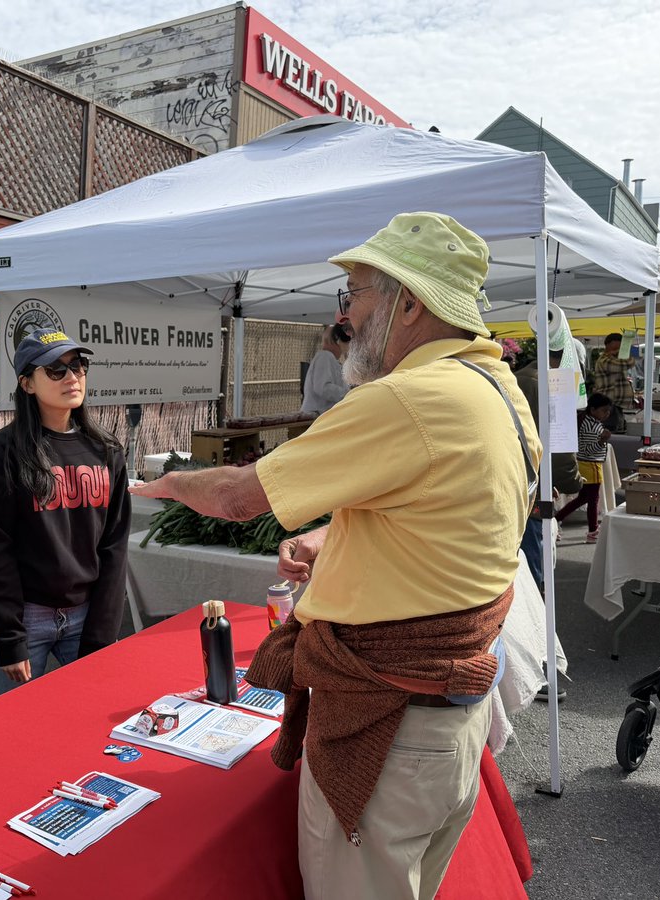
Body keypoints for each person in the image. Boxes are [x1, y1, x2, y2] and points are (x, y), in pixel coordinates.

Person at [132, 212, 539, 900]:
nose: (343, 314)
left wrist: (164, 482)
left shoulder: (408, 397)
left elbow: (237, 496)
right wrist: (331, 537)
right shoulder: (497, 391)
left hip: (391, 729)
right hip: (448, 716)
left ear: (410, 302)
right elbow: (452, 518)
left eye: (355, 294)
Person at [0, 328, 131, 697]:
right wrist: (10, 638)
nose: (72, 377)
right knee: (20, 731)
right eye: (55, 370)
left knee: (92, 717)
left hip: (87, 613)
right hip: (26, 618)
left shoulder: (106, 450)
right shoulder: (3, 453)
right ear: (27, 384)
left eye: (78, 365)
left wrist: (103, 630)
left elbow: (114, 545)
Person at [513, 347, 583, 593]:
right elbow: (559, 445)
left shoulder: (517, 377)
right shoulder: (551, 383)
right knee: (533, 567)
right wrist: (572, 481)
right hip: (534, 487)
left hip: (512, 482)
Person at [555, 393, 613, 543]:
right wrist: (601, 441)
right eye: (604, 410)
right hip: (590, 464)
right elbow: (586, 449)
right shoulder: (590, 425)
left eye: (608, 411)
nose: (607, 414)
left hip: (588, 464)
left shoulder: (589, 421)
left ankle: (557, 519)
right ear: (593, 409)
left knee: (584, 498)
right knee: (592, 499)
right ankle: (592, 530)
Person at [300, 324, 349, 414]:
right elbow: (323, 387)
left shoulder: (331, 360)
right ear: (337, 341)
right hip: (315, 415)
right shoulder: (325, 357)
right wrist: (347, 394)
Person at [594, 332, 637, 433]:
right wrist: (625, 355)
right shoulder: (604, 360)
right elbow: (628, 363)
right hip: (608, 406)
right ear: (608, 345)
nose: (619, 349)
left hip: (615, 406)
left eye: (621, 347)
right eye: (616, 347)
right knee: (612, 434)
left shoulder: (613, 359)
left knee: (618, 431)